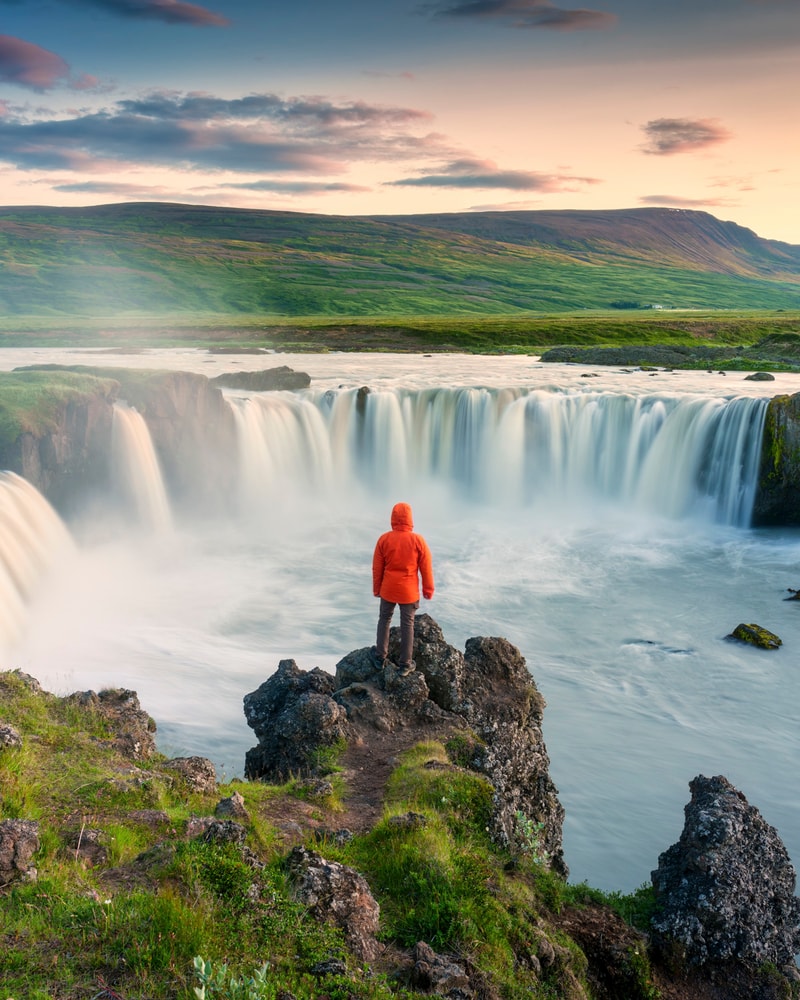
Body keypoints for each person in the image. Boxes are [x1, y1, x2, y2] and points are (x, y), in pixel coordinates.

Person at [372, 501, 434, 675]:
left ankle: (379, 657)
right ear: (410, 520)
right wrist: (428, 590)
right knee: (408, 624)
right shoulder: (418, 541)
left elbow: (377, 568)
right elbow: (426, 568)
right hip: (409, 592)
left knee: (384, 620)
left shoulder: (384, 539)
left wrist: (377, 589)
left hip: (388, 589)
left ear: (393, 518)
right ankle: (405, 664)